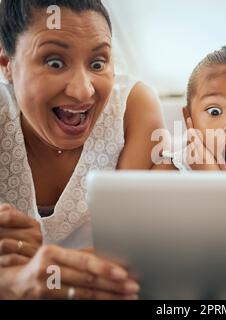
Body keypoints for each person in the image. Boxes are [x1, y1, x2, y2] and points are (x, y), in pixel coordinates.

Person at [0, 0, 168, 299]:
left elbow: (131, 252)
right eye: (54, 62)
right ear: (6, 65)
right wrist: (14, 281)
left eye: (97, 63)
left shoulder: (133, 107)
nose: (83, 91)